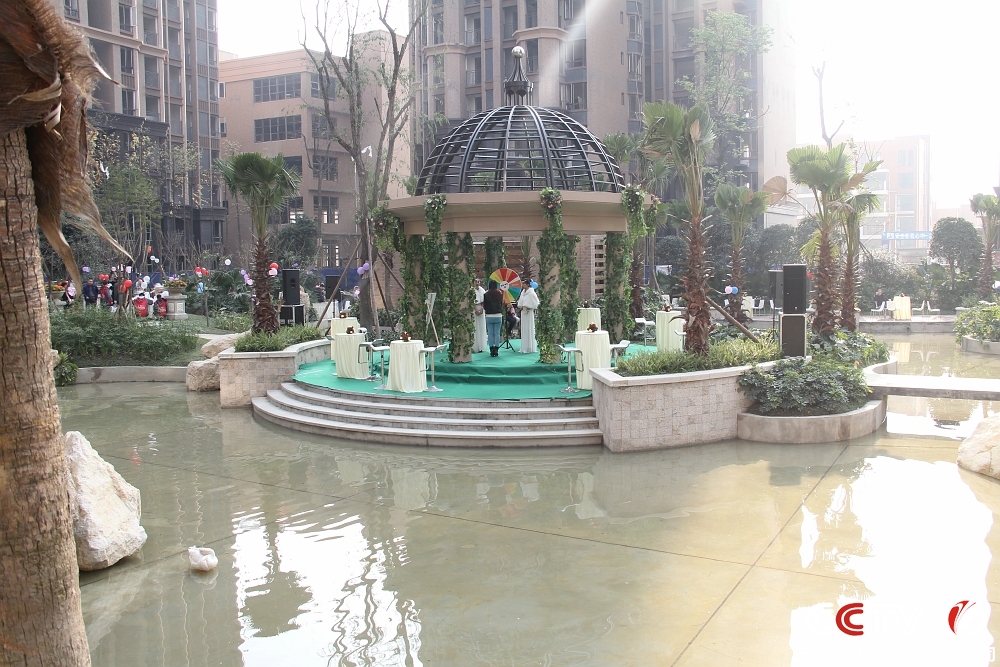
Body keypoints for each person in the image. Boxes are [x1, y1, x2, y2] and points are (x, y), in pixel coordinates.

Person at [517, 280, 539, 353]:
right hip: (523, 312)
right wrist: (521, 307)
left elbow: (536, 303)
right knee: (524, 328)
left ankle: (530, 346)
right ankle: (525, 346)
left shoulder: (532, 292)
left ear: (527, 284)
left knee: (529, 328)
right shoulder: (523, 292)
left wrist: (529, 307)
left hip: (529, 313)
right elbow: (520, 302)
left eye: (524, 283)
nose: (522, 285)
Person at [483, 279, 504, 357]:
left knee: (490, 333)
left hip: (489, 315)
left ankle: (491, 349)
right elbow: (501, 304)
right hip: (498, 315)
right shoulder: (499, 293)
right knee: (497, 333)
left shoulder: (486, 294)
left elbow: (485, 305)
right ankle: (497, 349)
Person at [473, 278, 487, 353]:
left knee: (481, 326)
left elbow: (484, 301)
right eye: (476, 281)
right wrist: (476, 310)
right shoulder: (471, 290)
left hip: (481, 309)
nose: (477, 283)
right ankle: (475, 345)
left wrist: (482, 309)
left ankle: (482, 345)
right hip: (474, 309)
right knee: (475, 326)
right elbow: (471, 301)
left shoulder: (482, 290)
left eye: (478, 281)